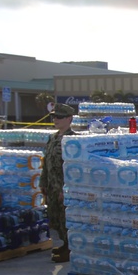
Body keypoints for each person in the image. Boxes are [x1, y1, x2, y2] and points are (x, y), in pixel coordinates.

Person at [40, 103, 77, 263]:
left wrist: (67, 189)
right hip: (51, 186)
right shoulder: (53, 138)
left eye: (60, 117)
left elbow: (74, 168)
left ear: (69, 118)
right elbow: (46, 163)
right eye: (54, 117)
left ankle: (71, 247)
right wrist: (43, 183)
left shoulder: (73, 140)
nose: (56, 120)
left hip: (64, 187)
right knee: (55, 218)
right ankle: (64, 243)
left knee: (66, 219)